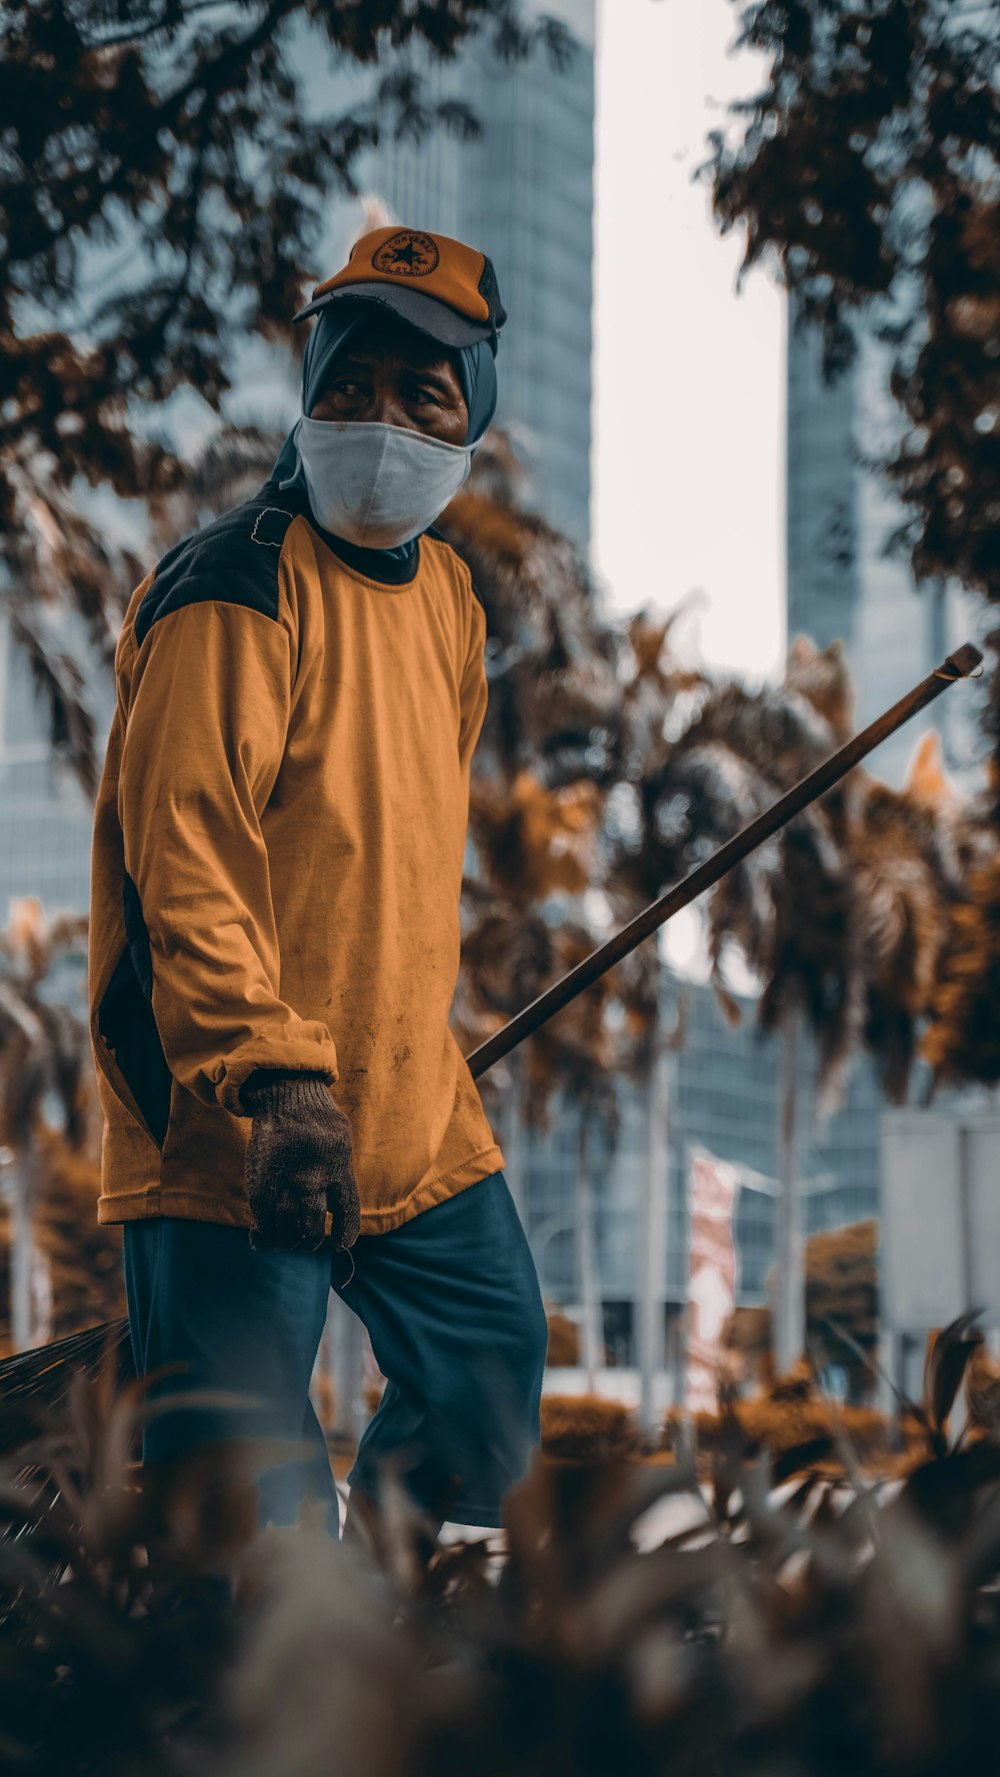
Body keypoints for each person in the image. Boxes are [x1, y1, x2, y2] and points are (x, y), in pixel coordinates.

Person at [88, 225, 549, 1542]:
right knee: (243, 1508)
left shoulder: (449, 597)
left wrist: (384, 1061)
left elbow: (395, 840)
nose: (383, 420)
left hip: (409, 1114)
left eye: (425, 392)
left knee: (485, 1397)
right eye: (351, 382)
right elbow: (186, 858)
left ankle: (387, 1622)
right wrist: (282, 1079)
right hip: (232, 1123)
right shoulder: (232, 584)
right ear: (310, 386)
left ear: (474, 412)